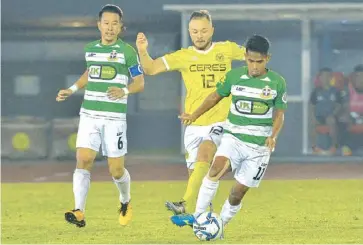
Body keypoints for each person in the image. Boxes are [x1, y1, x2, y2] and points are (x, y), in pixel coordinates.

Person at [170, 35, 287, 231]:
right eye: (250, 61)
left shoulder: (277, 82)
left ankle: (219, 226)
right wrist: (195, 114)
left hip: (259, 147)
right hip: (233, 137)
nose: (255, 66)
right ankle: (198, 217)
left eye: (259, 61)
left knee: (237, 194)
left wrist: (273, 136)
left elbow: (280, 114)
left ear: (268, 58)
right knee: (215, 169)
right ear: (245, 58)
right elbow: (215, 97)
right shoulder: (234, 76)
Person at [135, 10, 246, 215]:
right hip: (194, 124)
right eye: (195, 31)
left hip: (222, 121)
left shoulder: (227, 49)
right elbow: (150, 69)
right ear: (189, 32)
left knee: (206, 151)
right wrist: (142, 51)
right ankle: (205, 218)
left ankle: (183, 203)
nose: (200, 35)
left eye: (204, 30)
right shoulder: (183, 56)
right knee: (197, 177)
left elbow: (254, 57)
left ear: (212, 30)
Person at [56, 4, 144, 227]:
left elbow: (140, 83)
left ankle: (125, 201)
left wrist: (123, 90)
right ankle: (79, 211)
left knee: (115, 170)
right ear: (99, 25)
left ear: (120, 27)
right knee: (83, 160)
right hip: (89, 114)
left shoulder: (128, 52)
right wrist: (72, 89)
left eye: (115, 24)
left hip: (114, 118)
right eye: (106, 23)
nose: (110, 27)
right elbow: (89, 72)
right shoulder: (90, 49)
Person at [309, 68, 343, 154]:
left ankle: (334, 147)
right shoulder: (316, 91)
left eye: (328, 76)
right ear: (320, 78)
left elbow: (339, 106)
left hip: (331, 116)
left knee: (331, 121)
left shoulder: (336, 91)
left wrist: (333, 114)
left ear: (331, 78)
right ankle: (314, 148)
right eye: (323, 76)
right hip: (319, 116)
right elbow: (311, 106)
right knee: (312, 123)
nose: (325, 78)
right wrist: (313, 117)